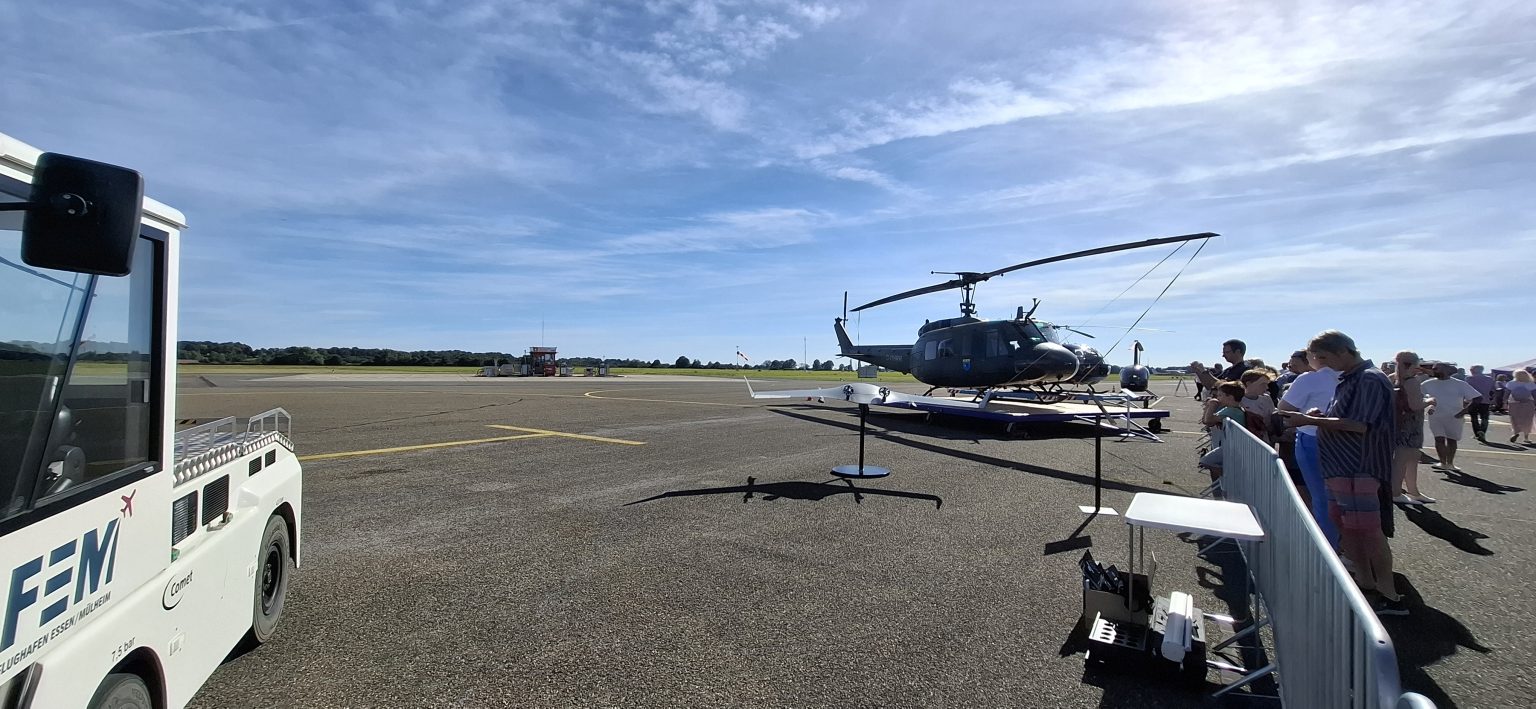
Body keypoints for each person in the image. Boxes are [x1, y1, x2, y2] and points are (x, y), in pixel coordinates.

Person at [1279, 330, 1404, 615]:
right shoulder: (1349, 378)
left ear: (1344, 352)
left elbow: (1360, 425)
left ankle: (1388, 592)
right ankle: (1365, 581)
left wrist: (1310, 420)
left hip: (1359, 467)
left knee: (1368, 530)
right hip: (1340, 466)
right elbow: (1347, 417)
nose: (1322, 364)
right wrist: (1320, 418)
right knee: (1346, 525)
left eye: (1324, 357)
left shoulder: (1369, 379)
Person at [1280, 351, 1339, 548]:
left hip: (1313, 437)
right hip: (1347, 441)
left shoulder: (1310, 379)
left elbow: (1284, 407)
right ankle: (1347, 547)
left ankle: (1326, 547)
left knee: (1321, 496)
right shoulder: (1355, 376)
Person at [1421, 362, 1482, 473]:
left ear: (1447, 370)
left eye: (1437, 369)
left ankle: (1450, 463)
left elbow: (1477, 398)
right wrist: (1428, 405)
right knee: (1439, 439)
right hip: (1435, 416)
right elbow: (1419, 396)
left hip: (1454, 417)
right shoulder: (1427, 383)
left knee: (1451, 440)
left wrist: (1464, 411)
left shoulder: (1460, 384)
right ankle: (1442, 463)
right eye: (1434, 369)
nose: (1434, 371)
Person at [1389, 352, 1431, 505]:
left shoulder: (1392, 378)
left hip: (1397, 422)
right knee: (1403, 460)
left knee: (1411, 458)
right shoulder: (1412, 381)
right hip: (1410, 424)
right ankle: (1396, 492)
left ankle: (1413, 491)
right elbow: (1415, 406)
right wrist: (1430, 401)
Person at [1198, 382, 1248, 484]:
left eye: (1220, 395)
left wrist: (1212, 406)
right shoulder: (1230, 409)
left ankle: (1228, 475)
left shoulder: (1232, 411)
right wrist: (1208, 407)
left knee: (1205, 461)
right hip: (1230, 444)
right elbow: (1208, 422)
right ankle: (1227, 475)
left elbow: (1208, 420)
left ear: (1230, 397)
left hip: (1233, 446)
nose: (1218, 398)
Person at [1465, 365, 1495, 442]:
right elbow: (1493, 390)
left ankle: (1477, 433)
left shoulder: (1469, 379)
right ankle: (1482, 431)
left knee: (1474, 417)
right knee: (1484, 417)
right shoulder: (1489, 379)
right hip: (1485, 400)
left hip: (1473, 400)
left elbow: (1466, 389)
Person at [1507, 369, 1536, 444]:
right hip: (1528, 402)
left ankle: (1515, 433)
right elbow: (1534, 395)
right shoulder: (1530, 384)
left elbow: (1507, 393)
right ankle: (1526, 437)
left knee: (1514, 419)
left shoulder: (1511, 383)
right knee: (1528, 420)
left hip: (1513, 402)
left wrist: (1504, 402)